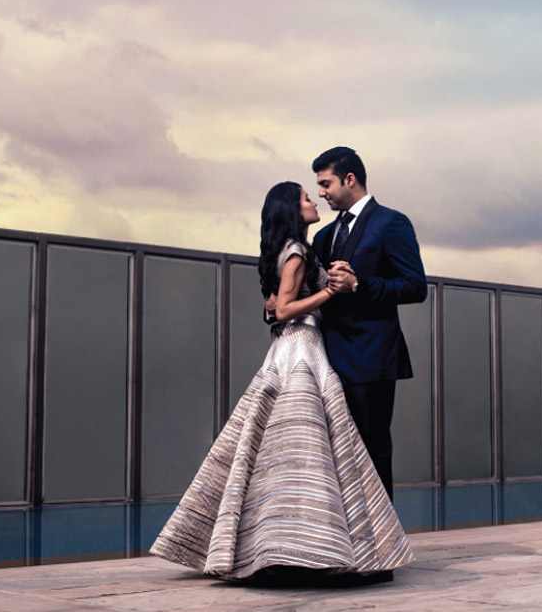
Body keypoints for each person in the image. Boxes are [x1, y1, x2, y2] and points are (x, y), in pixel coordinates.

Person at [150, 182, 414, 582]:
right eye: (309, 196)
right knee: (306, 449)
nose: (316, 198)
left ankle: (282, 542)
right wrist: (328, 290)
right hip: (303, 348)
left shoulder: (304, 246)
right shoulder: (301, 248)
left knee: (282, 449)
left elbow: (276, 305)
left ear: (349, 179)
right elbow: (287, 308)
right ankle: (309, 545)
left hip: (304, 347)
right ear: (293, 209)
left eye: (321, 186)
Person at [305, 147, 428, 497]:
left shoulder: (391, 223)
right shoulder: (323, 237)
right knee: (331, 453)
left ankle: (380, 545)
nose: (321, 193)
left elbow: (416, 287)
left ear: (349, 179)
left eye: (325, 183)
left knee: (372, 449)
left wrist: (358, 284)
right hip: (326, 358)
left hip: (370, 358)